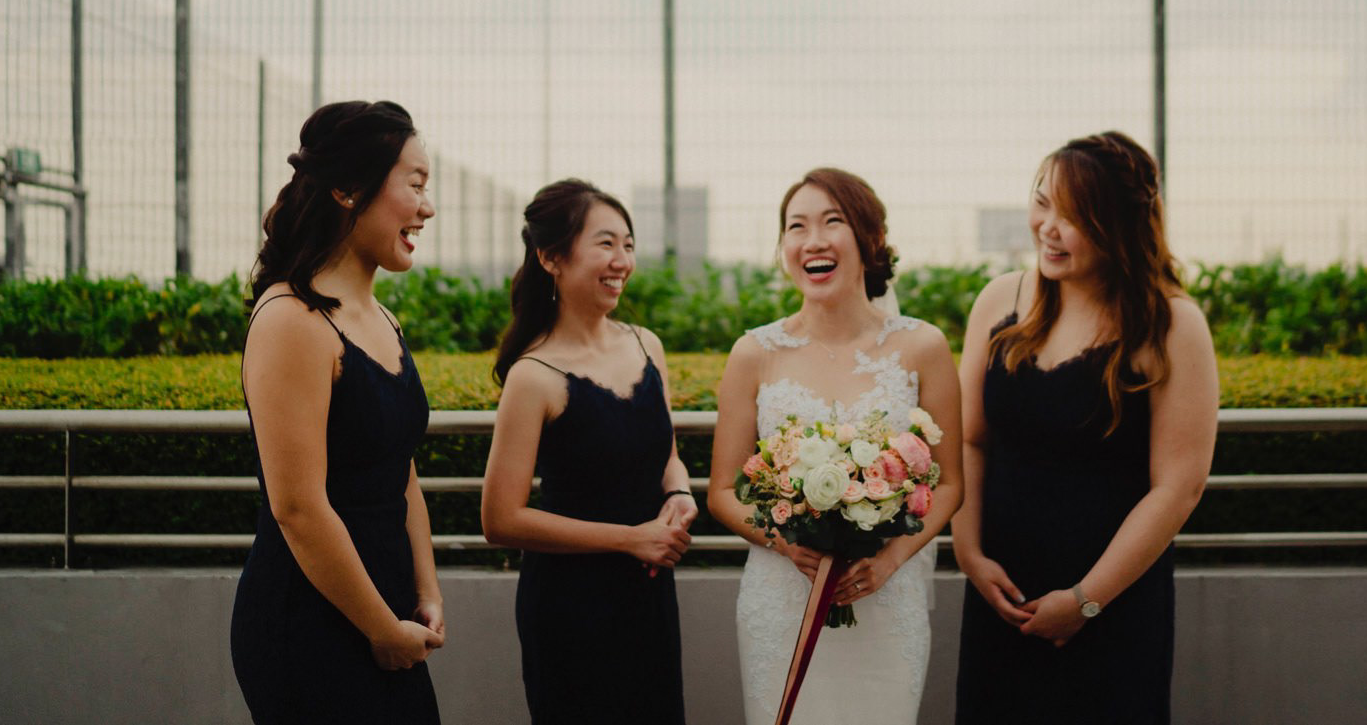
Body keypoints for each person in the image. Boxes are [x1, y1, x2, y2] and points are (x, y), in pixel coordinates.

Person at [952, 131, 1219, 724]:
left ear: (1119, 224)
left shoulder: (1172, 324)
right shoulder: (999, 300)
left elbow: (1179, 487)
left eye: (1072, 216)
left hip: (1114, 603)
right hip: (1002, 594)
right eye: (1042, 202)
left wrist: (1086, 601)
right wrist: (969, 553)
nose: (1047, 228)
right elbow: (969, 438)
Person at [708, 167, 963, 725]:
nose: (813, 240)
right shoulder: (753, 353)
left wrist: (890, 561)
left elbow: (949, 483)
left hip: (884, 596)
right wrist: (784, 544)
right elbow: (723, 491)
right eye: (796, 226)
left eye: (832, 221)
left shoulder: (923, 346)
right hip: (783, 598)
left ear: (871, 237)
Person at [230, 100, 444, 724]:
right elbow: (298, 507)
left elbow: (400, 470)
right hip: (311, 620)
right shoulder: (292, 319)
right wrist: (381, 628)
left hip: (387, 613)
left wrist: (425, 591)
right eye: (415, 185)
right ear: (348, 190)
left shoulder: (383, 319)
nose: (428, 208)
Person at [481, 179, 694, 725]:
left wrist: (679, 491)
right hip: (569, 606)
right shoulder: (534, 376)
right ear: (551, 257)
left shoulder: (647, 345)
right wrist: (632, 539)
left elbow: (665, 453)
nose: (622, 260)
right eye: (605, 243)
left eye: (628, 244)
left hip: (648, 594)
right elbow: (501, 519)